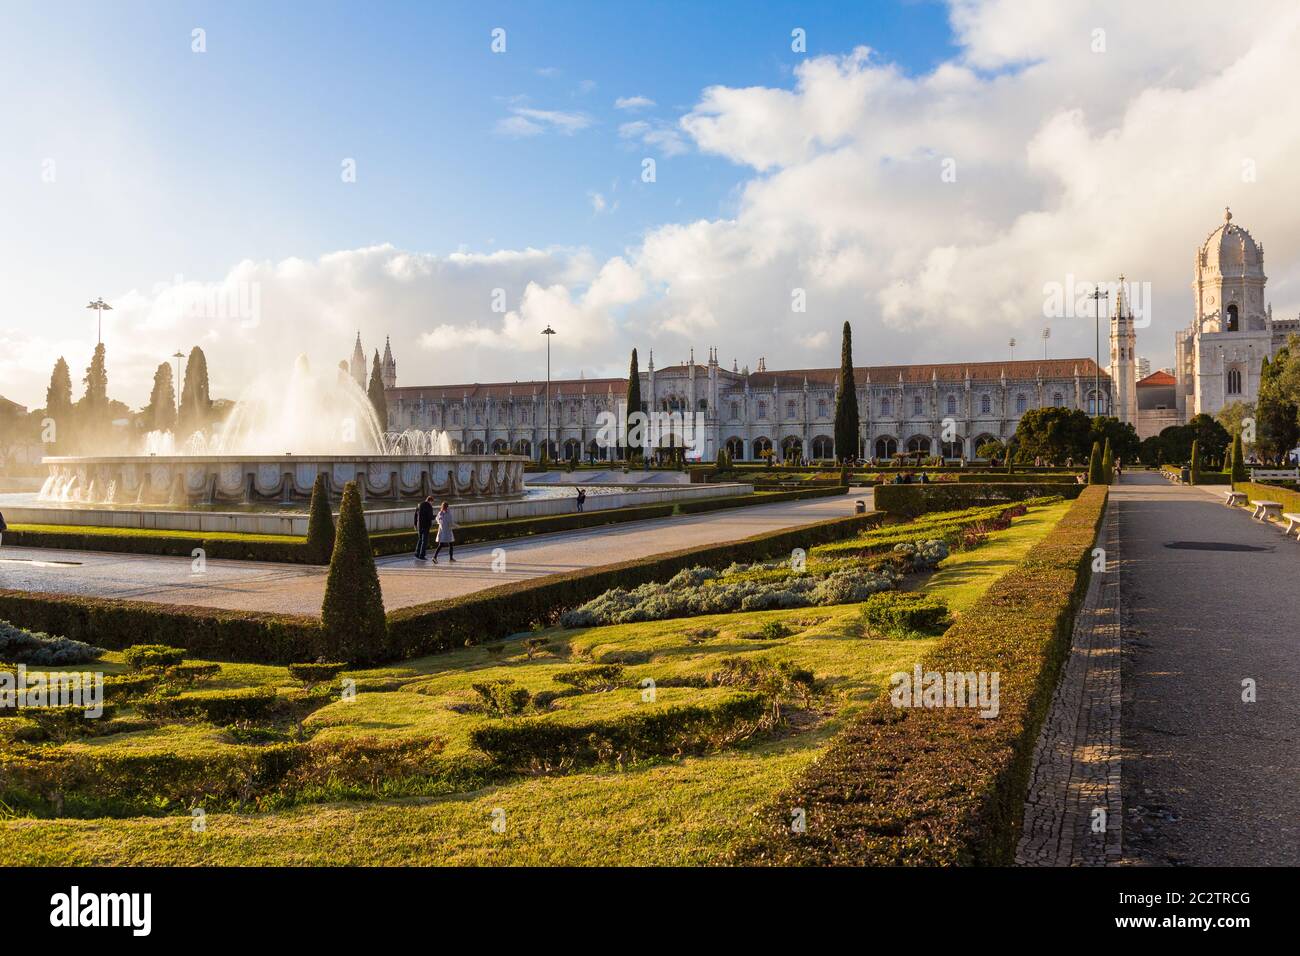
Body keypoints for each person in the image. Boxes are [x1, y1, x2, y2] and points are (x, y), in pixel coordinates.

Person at [413, 495, 435, 560]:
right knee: (424, 541)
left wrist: (415, 524)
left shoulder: (419, 505)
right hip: (426, 526)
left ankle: (417, 553)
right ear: (430, 501)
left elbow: (415, 515)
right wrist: (436, 516)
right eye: (432, 502)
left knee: (420, 539)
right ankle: (422, 555)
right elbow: (430, 517)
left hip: (419, 525)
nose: (432, 504)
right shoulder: (429, 506)